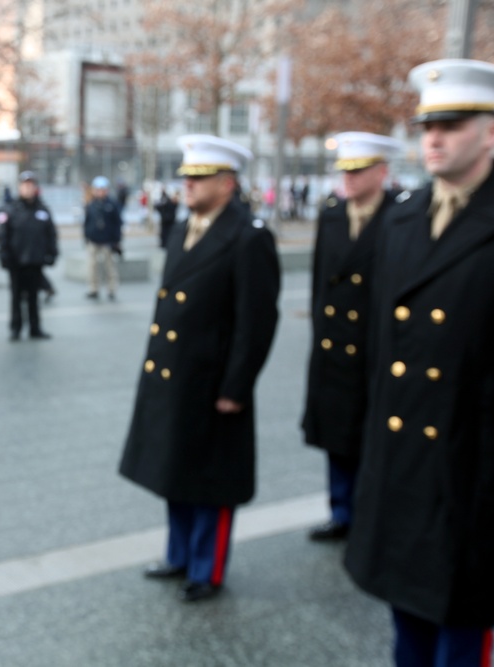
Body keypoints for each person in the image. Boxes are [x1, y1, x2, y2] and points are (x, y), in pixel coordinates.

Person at [344, 59, 494, 667]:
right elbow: (383, 354)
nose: (432, 137)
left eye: (452, 124)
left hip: (475, 475)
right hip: (403, 465)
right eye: (427, 124)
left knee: (462, 632)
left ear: (490, 131)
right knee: (406, 630)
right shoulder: (402, 218)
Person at [119, 134, 280, 603]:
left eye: (199, 177)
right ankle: (179, 555)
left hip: (214, 385)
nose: (187, 185)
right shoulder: (186, 227)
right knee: (176, 472)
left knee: (210, 481)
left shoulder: (248, 237)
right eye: (186, 176)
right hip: (176, 378)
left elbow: (256, 322)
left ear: (227, 183)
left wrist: (236, 385)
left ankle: (206, 569)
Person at [301, 132, 402, 543]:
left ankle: (368, 515)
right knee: (336, 436)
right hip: (333, 346)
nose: (350, 179)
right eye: (345, 171)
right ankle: (340, 510)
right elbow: (319, 282)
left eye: (359, 171)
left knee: (369, 438)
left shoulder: (398, 218)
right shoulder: (332, 215)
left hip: (372, 346)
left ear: (382, 172)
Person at [0, 171, 57, 341]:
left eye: (31, 185)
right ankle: (16, 328)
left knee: (33, 297)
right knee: (16, 298)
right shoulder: (11, 209)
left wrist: (52, 253)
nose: (28, 188)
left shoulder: (42, 209)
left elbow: (51, 233)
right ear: (20, 187)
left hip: (35, 261)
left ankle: (35, 328)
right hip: (16, 262)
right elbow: (3, 235)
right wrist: (4, 256)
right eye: (25, 185)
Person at [84, 175, 123, 300]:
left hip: (108, 241)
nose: (100, 192)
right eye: (97, 189)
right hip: (94, 240)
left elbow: (118, 223)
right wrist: (86, 236)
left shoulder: (112, 204)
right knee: (92, 267)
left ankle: (112, 289)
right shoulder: (91, 204)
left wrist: (116, 241)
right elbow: (87, 222)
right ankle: (93, 289)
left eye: (102, 189)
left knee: (110, 267)